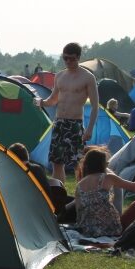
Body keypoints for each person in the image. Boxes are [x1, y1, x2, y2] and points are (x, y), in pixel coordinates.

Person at [36, 42, 99, 181]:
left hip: (75, 124)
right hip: (59, 122)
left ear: (78, 57)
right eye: (65, 58)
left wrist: (89, 129)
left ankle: (81, 194)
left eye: (72, 58)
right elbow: (53, 100)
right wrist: (41, 103)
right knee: (57, 162)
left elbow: (95, 106)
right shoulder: (59, 76)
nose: (68, 61)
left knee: (78, 163)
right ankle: (59, 194)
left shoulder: (88, 77)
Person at [74, 148, 135, 238]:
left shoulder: (79, 185)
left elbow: (79, 212)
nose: (108, 164)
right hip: (111, 230)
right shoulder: (108, 178)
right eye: (106, 162)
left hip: (87, 231)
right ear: (102, 164)